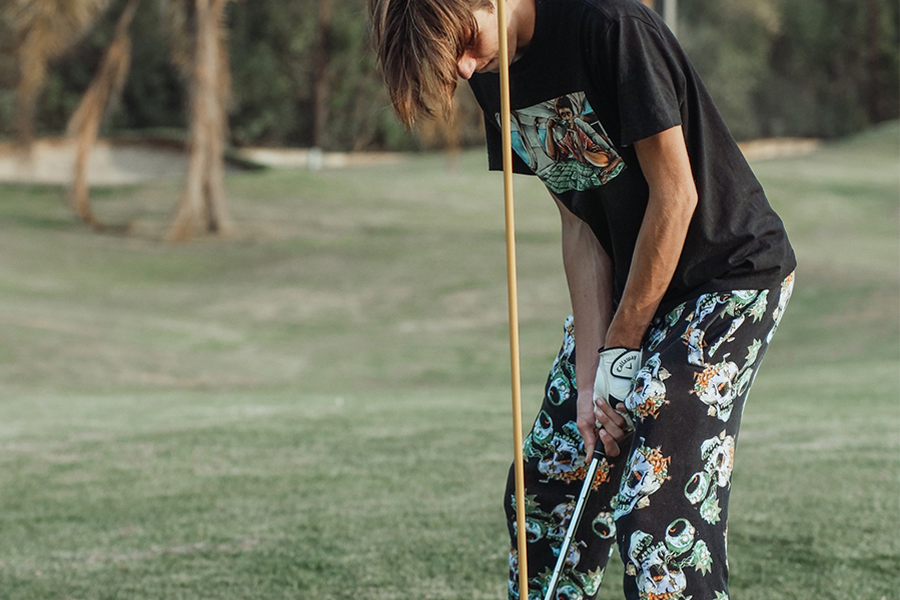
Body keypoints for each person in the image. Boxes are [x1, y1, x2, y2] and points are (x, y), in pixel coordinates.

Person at [370, 0, 796, 598]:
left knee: (656, 516)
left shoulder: (610, 29)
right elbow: (580, 223)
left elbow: (675, 198)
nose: (464, 69)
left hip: (726, 279)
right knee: (545, 489)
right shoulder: (495, 74)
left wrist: (621, 347)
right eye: (451, 62)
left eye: (465, 42)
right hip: (630, 292)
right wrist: (594, 370)